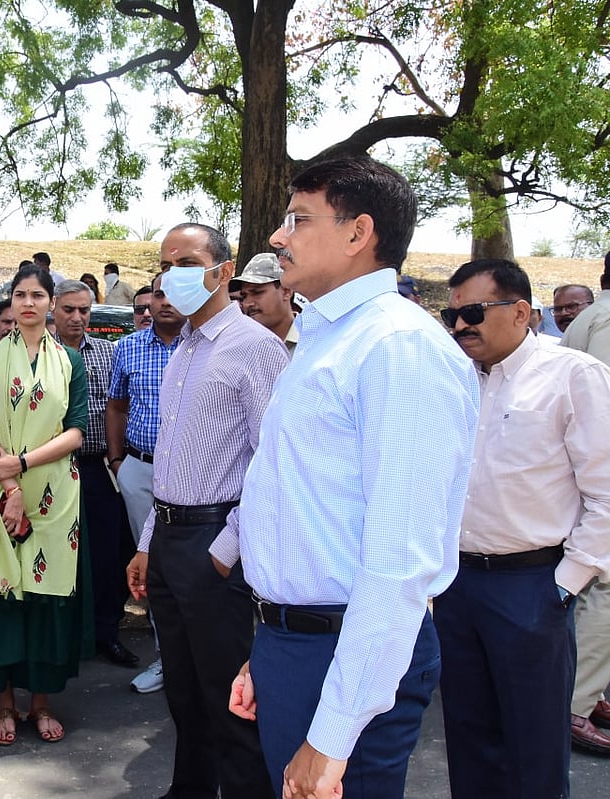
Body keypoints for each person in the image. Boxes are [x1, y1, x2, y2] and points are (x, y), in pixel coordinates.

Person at [217, 156, 480, 799]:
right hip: (299, 646)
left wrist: (333, 736)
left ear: (359, 233)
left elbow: (400, 562)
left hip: (346, 660)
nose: (278, 237)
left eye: (299, 220)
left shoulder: (398, 347)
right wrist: (271, 642)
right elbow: (308, 515)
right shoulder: (328, 340)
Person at [437, 258, 610, 793]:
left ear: (519, 312)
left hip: (532, 585)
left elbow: (605, 491)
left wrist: (563, 585)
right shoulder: (455, 382)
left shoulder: (572, 375)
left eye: (472, 312)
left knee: (533, 744)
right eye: (452, 314)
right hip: (457, 586)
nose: (461, 325)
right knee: (467, 738)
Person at [123, 223, 284, 799]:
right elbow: (169, 455)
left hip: (217, 540)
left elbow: (274, 461)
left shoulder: (254, 347)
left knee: (229, 697)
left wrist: (226, 548)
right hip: (169, 538)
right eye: (166, 264)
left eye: (187, 261)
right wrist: (147, 543)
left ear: (222, 269)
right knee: (185, 692)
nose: (173, 275)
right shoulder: (183, 349)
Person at [0, 264, 92, 747]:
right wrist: (11, 487)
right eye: (19, 295)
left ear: (51, 302)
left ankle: (41, 703)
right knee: (3, 597)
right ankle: (6, 704)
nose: (28, 303)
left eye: (37, 295)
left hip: (55, 492)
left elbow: (76, 431)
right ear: (9, 302)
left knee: (46, 599)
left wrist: (25, 462)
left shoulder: (70, 362)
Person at [106, 272, 186, 694]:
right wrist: (118, 462)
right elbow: (117, 406)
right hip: (140, 468)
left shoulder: (204, 346)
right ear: (148, 302)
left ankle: (195, 658)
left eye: (174, 293)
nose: (166, 301)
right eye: (158, 294)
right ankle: (165, 656)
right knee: (150, 565)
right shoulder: (129, 348)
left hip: (194, 478)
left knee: (192, 565)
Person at [52, 279, 136, 668]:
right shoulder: (40, 354)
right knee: (59, 556)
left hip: (98, 467)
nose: (77, 318)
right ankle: (64, 635)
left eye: (84, 310)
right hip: (51, 470)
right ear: (54, 309)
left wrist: (117, 460)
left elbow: (119, 406)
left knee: (105, 554)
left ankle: (106, 632)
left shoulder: (108, 352)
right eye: (69, 310)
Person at [561, 256, 610, 754]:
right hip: (596, 468)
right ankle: (574, 703)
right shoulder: (605, 319)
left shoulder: (588, 320)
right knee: (604, 588)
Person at [229, 252, 298, 353]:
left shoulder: (314, 340)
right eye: (244, 296)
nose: (248, 303)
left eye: (257, 292)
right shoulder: (238, 345)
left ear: (286, 292)